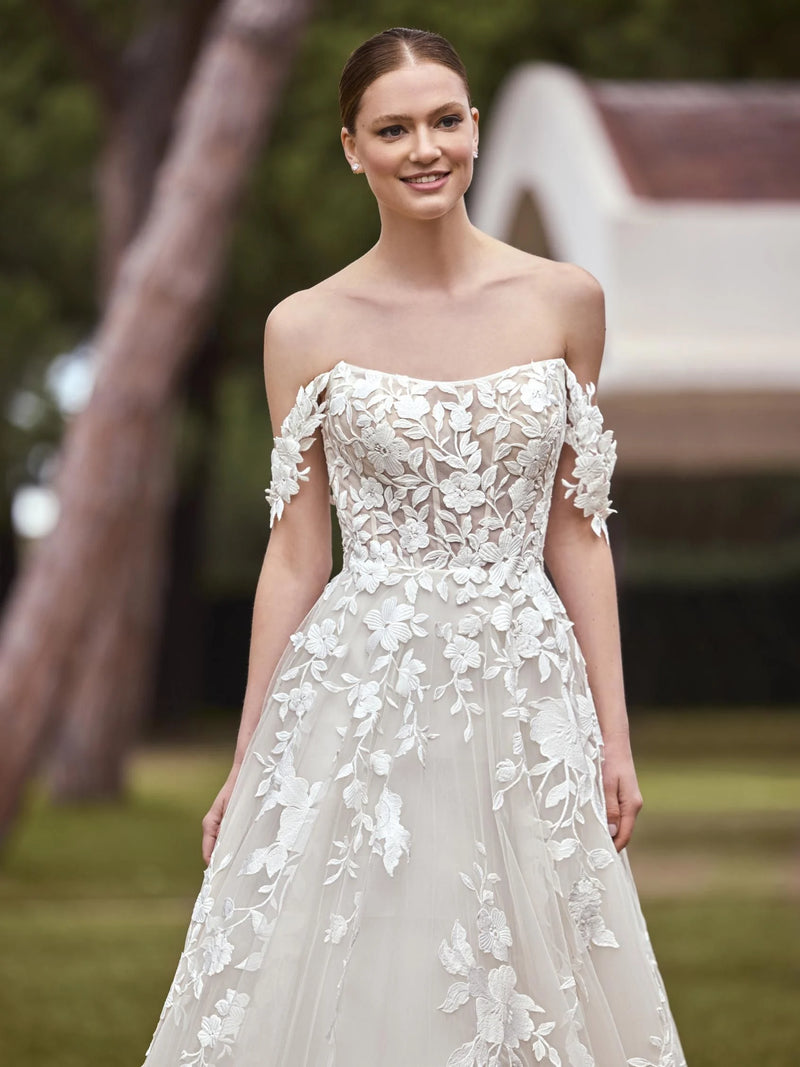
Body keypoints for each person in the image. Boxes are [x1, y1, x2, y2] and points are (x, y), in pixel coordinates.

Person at [141, 26, 686, 1067]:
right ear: (352, 147)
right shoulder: (302, 327)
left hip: (522, 686)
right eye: (392, 128)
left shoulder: (564, 301)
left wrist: (612, 735)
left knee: (532, 966)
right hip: (362, 687)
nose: (424, 146)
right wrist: (248, 757)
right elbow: (296, 555)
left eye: (444, 120)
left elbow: (578, 531)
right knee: (372, 949)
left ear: (475, 127)